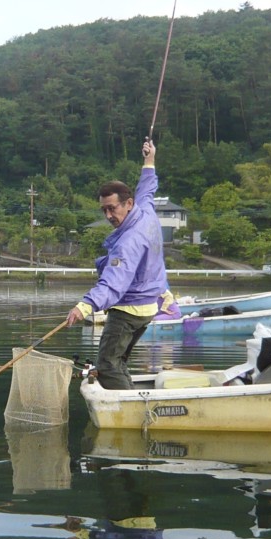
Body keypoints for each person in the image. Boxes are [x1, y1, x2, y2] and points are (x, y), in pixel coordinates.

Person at [66, 139, 167, 389]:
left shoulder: (129, 241)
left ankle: (128, 409)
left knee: (108, 365)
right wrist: (149, 160)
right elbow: (147, 187)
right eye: (104, 210)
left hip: (129, 310)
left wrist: (85, 306)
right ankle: (132, 396)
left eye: (112, 209)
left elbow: (113, 283)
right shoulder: (144, 209)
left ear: (127, 204)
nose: (109, 216)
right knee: (118, 361)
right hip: (148, 305)